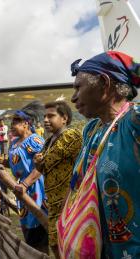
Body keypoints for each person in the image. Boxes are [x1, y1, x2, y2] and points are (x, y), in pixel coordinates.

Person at [61, 51, 140, 258]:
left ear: (104, 83)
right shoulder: (92, 130)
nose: (73, 97)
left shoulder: (135, 122)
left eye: (78, 87)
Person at [0, 101, 48, 253]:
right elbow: (13, 163)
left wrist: (25, 185)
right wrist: (0, 159)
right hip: (21, 190)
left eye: (16, 121)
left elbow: (42, 166)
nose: (12, 124)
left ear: (26, 124)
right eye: (12, 121)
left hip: (36, 188)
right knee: (29, 233)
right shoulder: (15, 142)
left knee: (40, 230)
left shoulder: (35, 140)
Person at [33, 101, 82, 258]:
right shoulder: (48, 141)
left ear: (64, 118)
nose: (46, 120)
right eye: (44, 116)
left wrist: (40, 162)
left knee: (69, 244)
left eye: (51, 116)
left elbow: (48, 161)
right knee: (55, 243)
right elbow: (41, 167)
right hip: (54, 203)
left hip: (70, 201)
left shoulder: (70, 136)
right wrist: (38, 163)